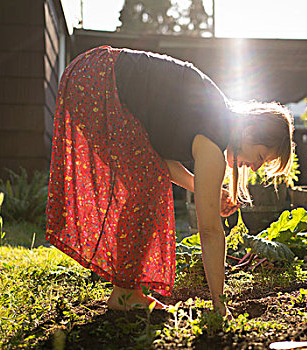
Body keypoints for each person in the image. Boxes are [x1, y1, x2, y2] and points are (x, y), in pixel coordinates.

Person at [45, 46, 294, 316]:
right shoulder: (215, 138)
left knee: (147, 179)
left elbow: (156, 160)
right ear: (249, 132)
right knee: (147, 188)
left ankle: (126, 291)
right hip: (97, 78)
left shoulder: (216, 118)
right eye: (260, 156)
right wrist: (220, 307)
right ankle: (125, 293)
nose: (255, 167)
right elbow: (210, 230)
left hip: (89, 72)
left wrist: (202, 188)